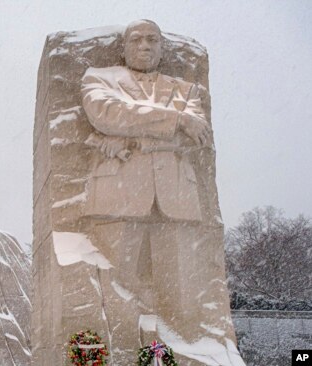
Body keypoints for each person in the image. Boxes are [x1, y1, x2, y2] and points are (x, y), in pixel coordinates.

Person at [80, 19, 232, 361]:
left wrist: (133, 132)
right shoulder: (99, 78)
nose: (145, 46)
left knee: (180, 288)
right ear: (124, 47)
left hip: (176, 196)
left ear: (162, 48)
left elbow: (198, 133)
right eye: (137, 40)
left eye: (153, 40)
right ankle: (115, 354)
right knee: (115, 284)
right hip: (117, 196)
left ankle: (187, 352)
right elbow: (106, 114)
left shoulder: (187, 90)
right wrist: (175, 121)